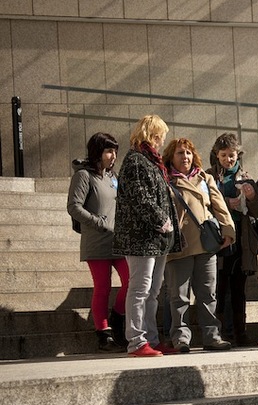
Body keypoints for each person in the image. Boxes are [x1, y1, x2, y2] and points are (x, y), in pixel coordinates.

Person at [113, 115, 181, 358]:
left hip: (155, 238)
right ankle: (136, 341)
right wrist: (162, 220)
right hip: (141, 237)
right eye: (161, 136)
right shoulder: (136, 160)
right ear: (153, 135)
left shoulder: (151, 162)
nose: (162, 141)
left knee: (152, 291)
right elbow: (140, 197)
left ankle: (150, 338)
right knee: (140, 289)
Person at [163, 138, 235, 354]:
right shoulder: (165, 180)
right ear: (170, 157)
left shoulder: (205, 177)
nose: (185, 157)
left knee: (207, 294)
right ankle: (181, 338)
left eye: (188, 152)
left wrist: (228, 230)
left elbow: (219, 205)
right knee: (179, 296)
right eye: (179, 153)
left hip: (206, 245)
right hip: (180, 245)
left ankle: (212, 336)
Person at [67, 132, 129, 352]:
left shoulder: (113, 177)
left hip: (119, 241)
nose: (113, 156)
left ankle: (118, 317)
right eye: (108, 151)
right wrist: (98, 222)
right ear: (97, 152)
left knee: (131, 281)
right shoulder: (84, 176)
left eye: (115, 151)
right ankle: (104, 335)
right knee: (102, 287)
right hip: (97, 241)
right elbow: (74, 206)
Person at [208, 133, 258, 347]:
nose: (228, 160)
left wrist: (251, 198)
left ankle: (241, 333)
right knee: (220, 287)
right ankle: (221, 333)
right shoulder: (209, 176)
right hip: (220, 239)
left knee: (239, 288)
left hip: (242, 238)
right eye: (223, 156)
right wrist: (223, 202)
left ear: (237, 155)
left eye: (231, 155)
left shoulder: (246, 178)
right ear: (217, 155)